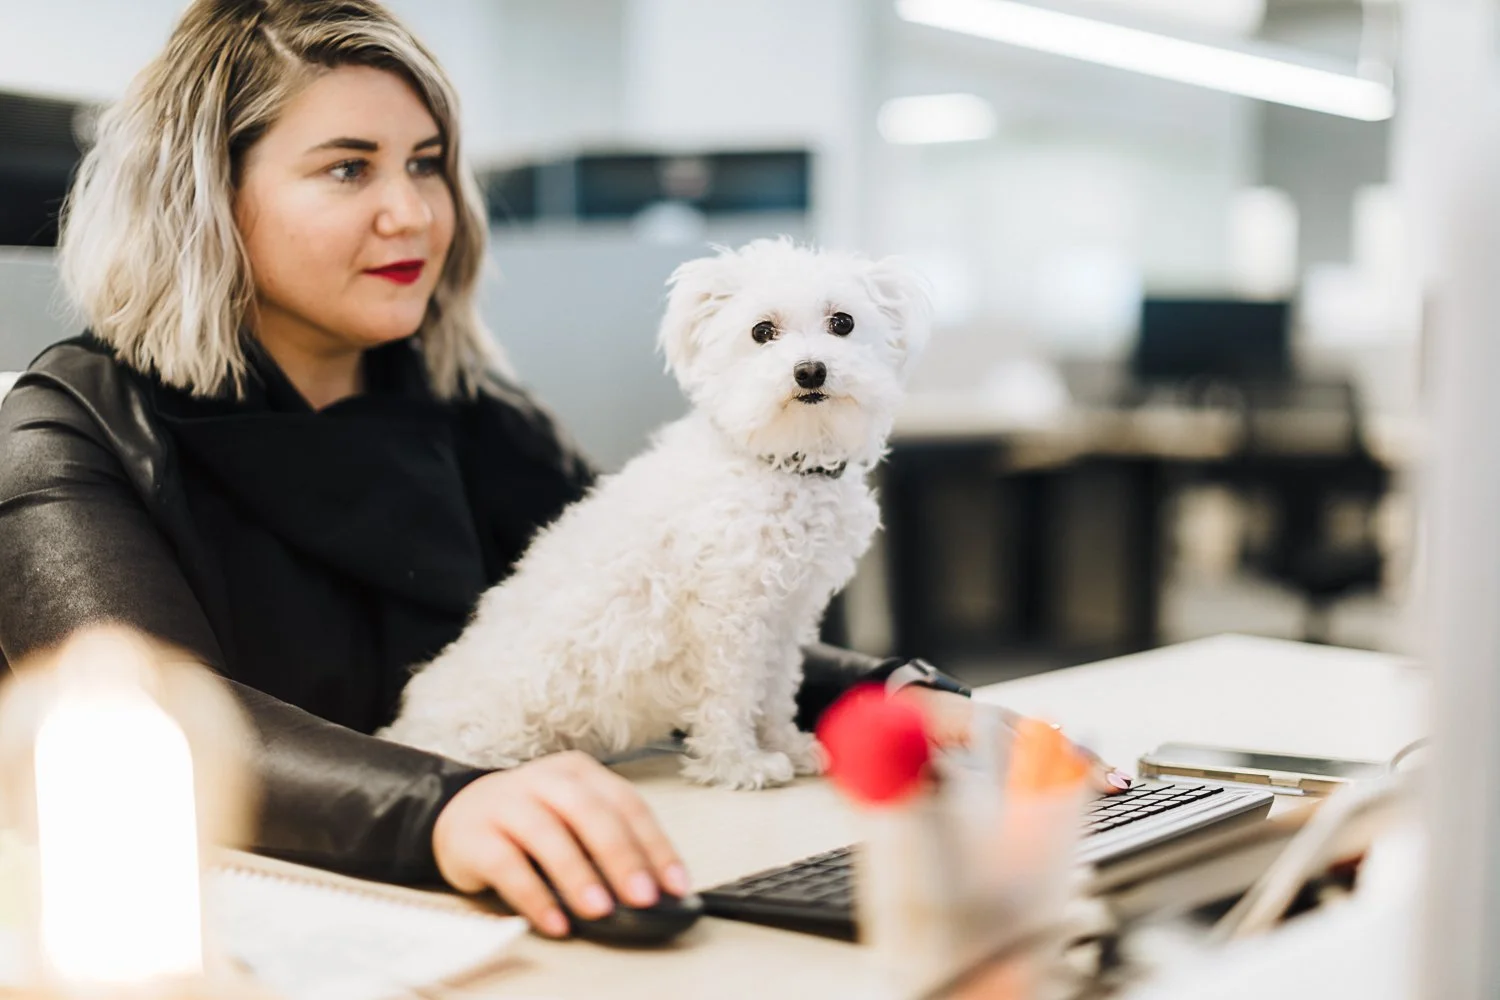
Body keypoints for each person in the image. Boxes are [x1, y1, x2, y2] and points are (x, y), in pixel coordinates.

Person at [0, 0, 1119, 938]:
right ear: (207, 196)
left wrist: (894, 700)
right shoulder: (69, 433)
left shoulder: (470, 411)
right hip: (225, 931)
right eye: (348, 168)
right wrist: (445, 808)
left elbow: (684, 601)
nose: (414, 211)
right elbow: (144, 730)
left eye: (427, 164)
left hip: (494, 908)